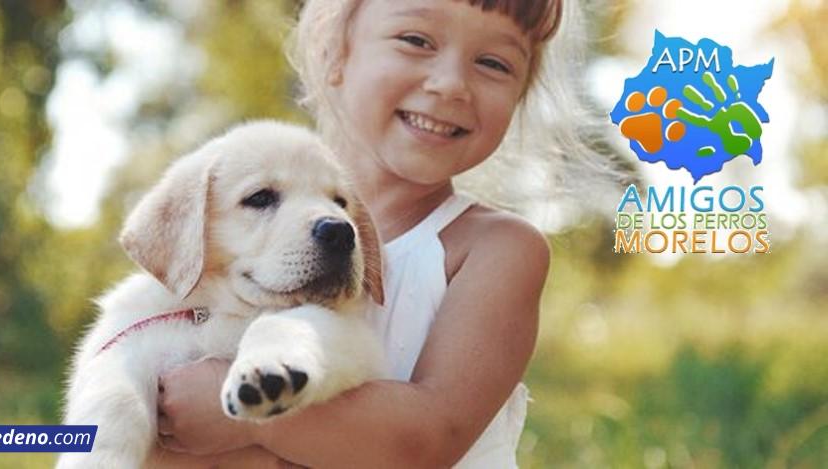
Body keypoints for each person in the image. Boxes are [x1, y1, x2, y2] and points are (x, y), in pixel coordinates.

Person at [152, 0, 622, 466]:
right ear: (332, 50)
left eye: (493, 62)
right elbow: (106, 395)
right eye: (416, 40)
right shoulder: (233, 224)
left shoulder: (496, 250)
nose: (452, 84)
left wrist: (238, 410)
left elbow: (429, 440)